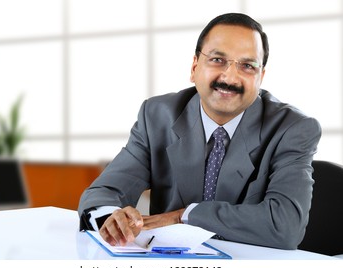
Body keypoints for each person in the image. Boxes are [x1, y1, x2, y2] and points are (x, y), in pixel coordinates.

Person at [78, 13, 321, 250]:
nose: (230, 77)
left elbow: (285, 226)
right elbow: (103, 192)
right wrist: (111, 219)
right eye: (217, 60)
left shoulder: (293, 128)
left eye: (247, 66)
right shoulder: (157, 115)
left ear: (261, 77)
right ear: (194, 67)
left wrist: (185, 215)